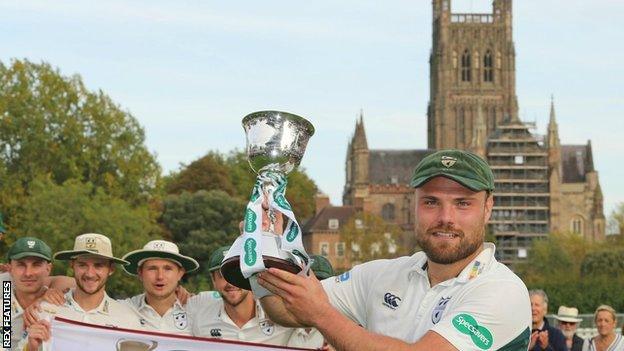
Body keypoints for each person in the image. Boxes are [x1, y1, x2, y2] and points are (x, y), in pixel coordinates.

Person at [257, 149, 532, 350]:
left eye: (462, 203)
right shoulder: (382, 275)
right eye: (431, 202)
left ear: (487, 209)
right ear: (413, 206)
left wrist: (321, 314)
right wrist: (263, 248)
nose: (446, 217)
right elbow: (283, 309)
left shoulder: (502, 290)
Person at [24, 233, 143, 350]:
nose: (90, 274)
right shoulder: (43, 310)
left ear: (111, 269)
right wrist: (31, 348)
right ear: (72, 265)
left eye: (98, 265)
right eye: (82, 265)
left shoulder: (128, 319)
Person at [188, 246, 323, 348]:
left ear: (250, 276)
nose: (230, 283)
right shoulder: (201, 318)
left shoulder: (280, 312)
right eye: (223, 276)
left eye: (237, 274)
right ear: (213, 281)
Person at [120, 239, 199, 334]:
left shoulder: (198, 311)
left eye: (167, 269)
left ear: (180, 274)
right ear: (140, 273)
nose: (160, 276)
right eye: (152, 269)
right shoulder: (123, 309)